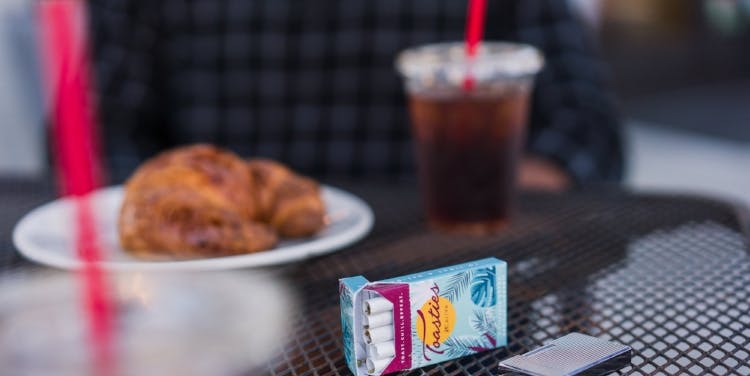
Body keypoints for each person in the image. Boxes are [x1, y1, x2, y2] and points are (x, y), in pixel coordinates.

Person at [89, 0, 624, 190]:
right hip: (213, 313)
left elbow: (589, 128)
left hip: (441, 320)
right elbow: (97, 132)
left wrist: (498, 201)